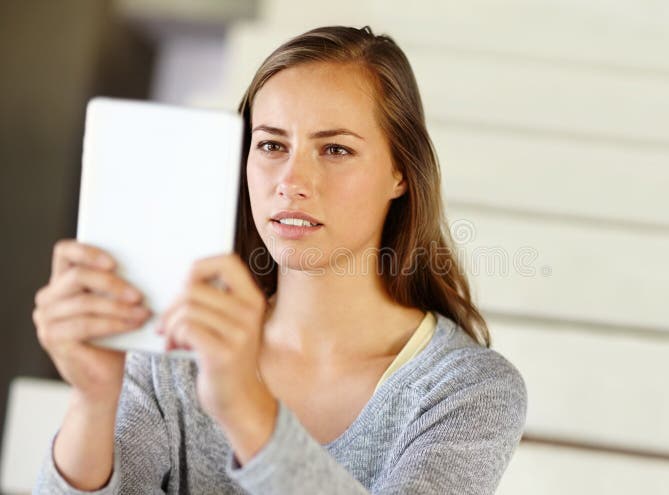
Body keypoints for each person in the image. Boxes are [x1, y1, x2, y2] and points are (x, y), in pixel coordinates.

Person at [31, 25, 527, 494]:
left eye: (334, 149)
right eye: (270, 144)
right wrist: (94, 401)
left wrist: (245, 407)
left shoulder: (468, 392)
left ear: (400, 172)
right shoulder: (173, 348)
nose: (291, 181)